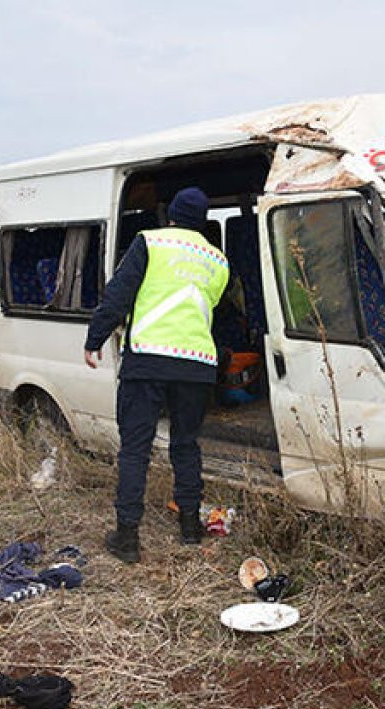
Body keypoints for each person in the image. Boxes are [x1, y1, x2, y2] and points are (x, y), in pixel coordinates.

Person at [83, 187, 229, 563]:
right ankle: (191, 530)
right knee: (186, 445)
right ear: (204, 221)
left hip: (148, 359)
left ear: (171, 214)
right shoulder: (218, 260)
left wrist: (95, 337)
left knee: (135, 448)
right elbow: (211, 309)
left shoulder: (150, 242)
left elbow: (119, 294)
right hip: (197, 363)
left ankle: (128, 539)